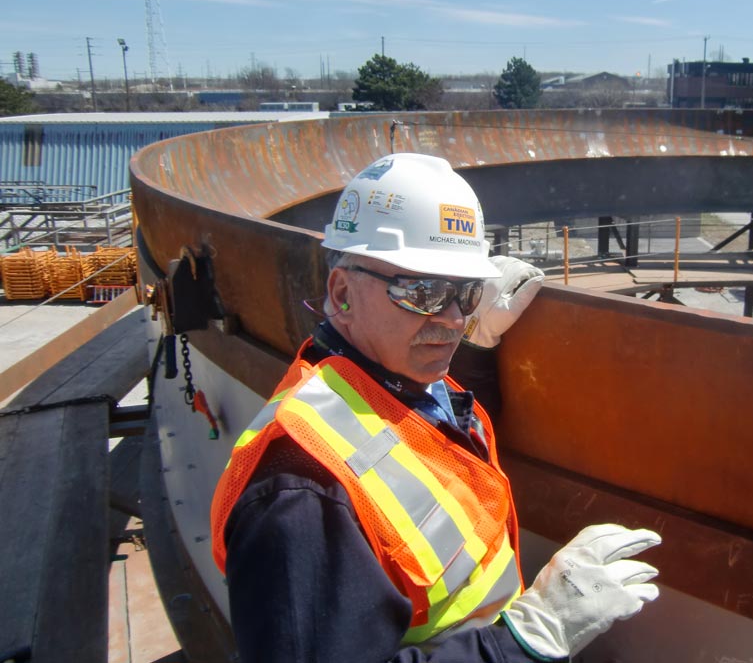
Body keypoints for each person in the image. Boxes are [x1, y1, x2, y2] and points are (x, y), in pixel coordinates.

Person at [210, 153, 661, 662]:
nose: (451, 320)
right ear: (343, 293)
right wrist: (525, 638)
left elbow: (422, 457)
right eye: (422, 292)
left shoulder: (391, 384)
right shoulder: (302, 493)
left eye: (466, 293)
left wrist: (479, 347)